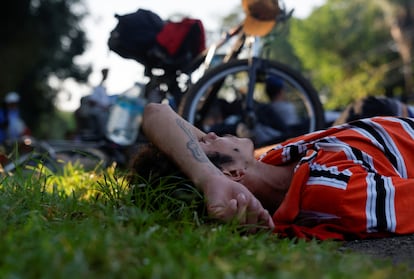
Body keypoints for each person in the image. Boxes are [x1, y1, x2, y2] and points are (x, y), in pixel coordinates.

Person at [129, 102, 414, 241]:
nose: (210, 133)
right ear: (234, 175)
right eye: (205, 141)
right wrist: (211, 178)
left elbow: (157, 113)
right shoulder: (331, 191)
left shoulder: (273, 162)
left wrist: (208, 177)